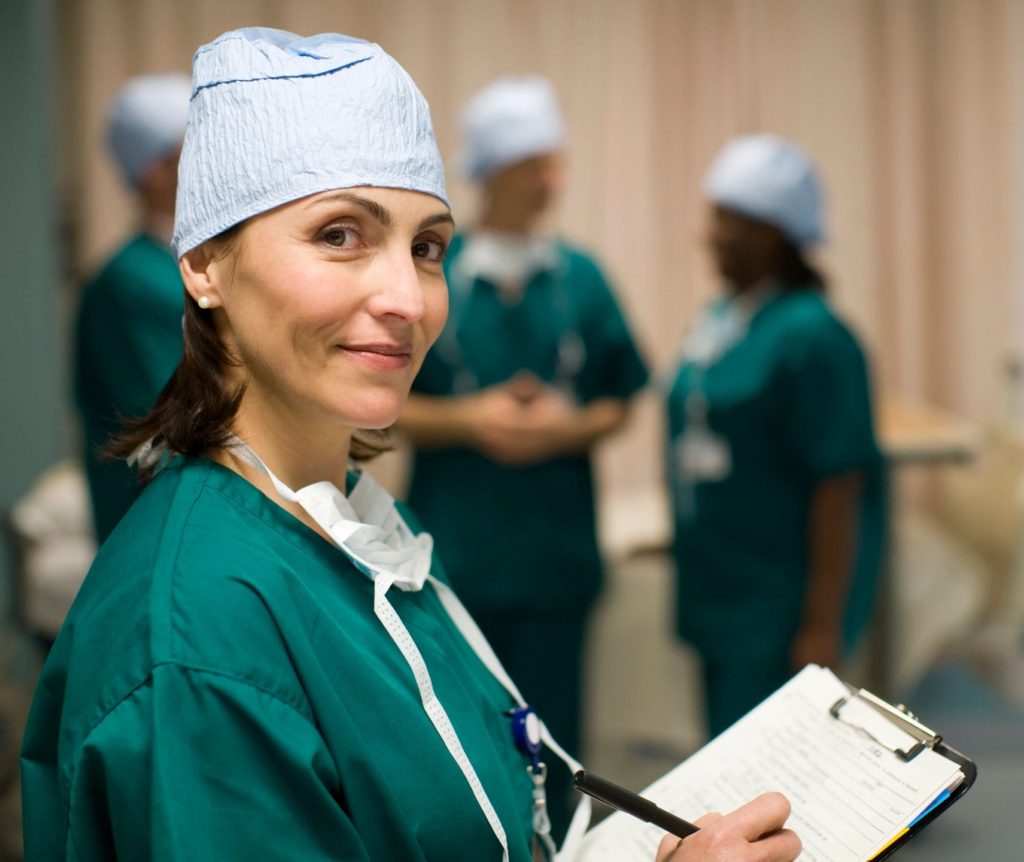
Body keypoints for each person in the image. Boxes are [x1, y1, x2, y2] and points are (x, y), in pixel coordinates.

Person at [20, 29, 800, 862]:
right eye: (339, 235)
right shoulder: (199, 648)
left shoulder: (358, 539)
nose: (409, 298)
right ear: (206, 263)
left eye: (426, 247)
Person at [400, 76, 649, 837]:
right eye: (531, 165)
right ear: (490, 172)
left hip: (553, 554)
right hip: (458, 546)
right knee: (461, 735)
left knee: (555, 737)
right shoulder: (431, 272)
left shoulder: (582, 277)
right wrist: (471, 420)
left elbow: (620, 393)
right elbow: (384, 400)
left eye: (554, 163)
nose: (550, 181)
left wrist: (563, 431)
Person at [666, 134, 887, 739]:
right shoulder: (723, 321)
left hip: (776, 606)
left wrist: (822, 622)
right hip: (720, 592)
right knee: (724, 756)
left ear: (771, 232)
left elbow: (839, 484)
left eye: (725, 220)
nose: (709, 235)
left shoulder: (815, 338)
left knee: (774, 773)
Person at [74, 73, 192, 543]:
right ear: (155, 170)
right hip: (159, 523)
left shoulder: (185, 263)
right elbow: (171, 421)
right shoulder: (129, 282)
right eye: (197, 146)